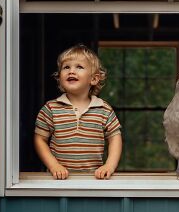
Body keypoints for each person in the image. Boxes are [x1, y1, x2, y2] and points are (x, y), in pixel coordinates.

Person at [34, 44, 122, 180]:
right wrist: (53, 166)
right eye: (66, 67)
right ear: (59, 78)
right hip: (58, 180)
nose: (71, 71)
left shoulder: (104, 109)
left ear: (94, 79)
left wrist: (109, 166)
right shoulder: (51, 108)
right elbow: (40, 139)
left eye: (79, 67)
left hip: (93, 179)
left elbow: (115, 138)